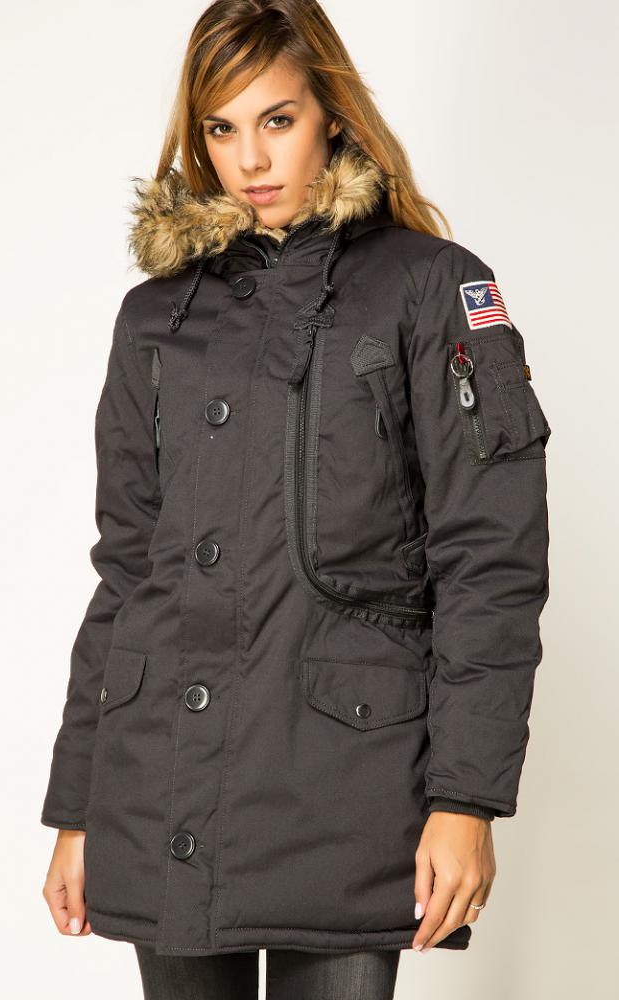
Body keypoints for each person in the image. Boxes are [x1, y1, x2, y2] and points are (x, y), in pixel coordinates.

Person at [40, 1, 551, 997]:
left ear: (333, 113)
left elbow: (490, 558)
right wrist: (78, 805)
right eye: (222, 128)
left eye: (277, 119)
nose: (251, 159)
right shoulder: (155, 317)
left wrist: (467, 798)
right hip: (164, 784)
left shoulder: (431, 289)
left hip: (349, 791)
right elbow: (127, 572)